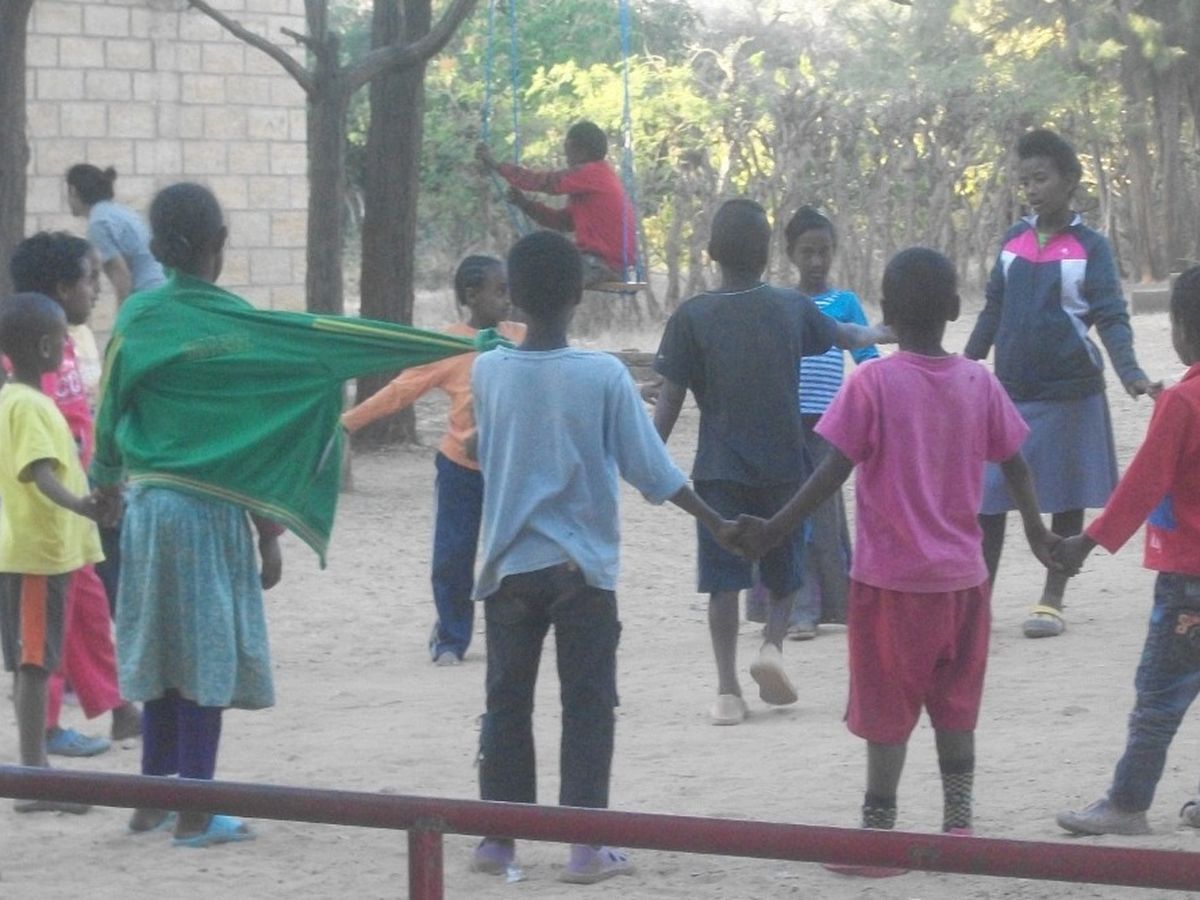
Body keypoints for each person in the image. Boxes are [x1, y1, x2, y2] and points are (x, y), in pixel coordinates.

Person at [91, 182, 511, 846]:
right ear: (218, 245)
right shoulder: (244, 327)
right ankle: (195, 810)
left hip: (147, 512)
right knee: (205, 663)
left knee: (163, 655)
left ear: (158, 248)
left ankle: (151, 801)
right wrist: (268, 533)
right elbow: (319, 368)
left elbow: (110, 408)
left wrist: (105, 486)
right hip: (209, 517)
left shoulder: (138, 318)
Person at [730, 248, 1057, 870]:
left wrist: (773, 529)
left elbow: (830, 473)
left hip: (890, 587)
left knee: (886, 711)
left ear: (884, 313)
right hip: (964, 583)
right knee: (955, 707)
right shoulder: (978, 383)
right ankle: (958, 828)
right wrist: (1040, 536)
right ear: (955, 308)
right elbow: (1016, 464)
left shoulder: (873, 384)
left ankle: (879, 836)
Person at [468, 230, 733, 884]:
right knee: (586, 706)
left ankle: (498, 840)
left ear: (512, 296)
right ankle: (585, 846)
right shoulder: (603, 375)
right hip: (581, 572)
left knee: (506, 704)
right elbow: (653, 471)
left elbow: (483, 447)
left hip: (507, 569)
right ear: (580, 296)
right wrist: (717, 522)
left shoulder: (488, 370)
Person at [652, 198, 889, 726]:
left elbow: (668, 402)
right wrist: (886, 330)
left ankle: (727, 690)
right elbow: (847, 336)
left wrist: (643, 455)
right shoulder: (790, 306)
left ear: (712, 252)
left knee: (722, 583)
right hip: (785, 465)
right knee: (785, 572)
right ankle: (772, 646)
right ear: (767, 254)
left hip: (718, 471)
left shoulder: (691, 316)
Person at [965, 129, 1158, 639]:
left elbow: (1111, 316)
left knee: (1067, 497)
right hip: (1009, 392)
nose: (1031, 189)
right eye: (1025, 180)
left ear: (1070, 180)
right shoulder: (1012, 240)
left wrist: (1131, 374)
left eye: (1041, 178)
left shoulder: (1092, 247)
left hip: (1072, 392)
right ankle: (976, 605)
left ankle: (1052, 598)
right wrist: (963, 367)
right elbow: (993, 309)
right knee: (989, 500)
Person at [1054, 266, 1200, 837]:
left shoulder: (1182, 402)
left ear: (1183, 329)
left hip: (1189, 581)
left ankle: (1127, 803)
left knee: (1158, 696)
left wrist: (1087, 542)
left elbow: (1143, 483)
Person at [342, 255, 524, 665]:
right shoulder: (447, 345)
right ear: (472, 295)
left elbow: (563, 371)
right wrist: (347, 423)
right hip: (460, 469)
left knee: (511, 555)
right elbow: (400, 391)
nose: (508, 298)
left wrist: (632, 390)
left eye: (510, 289)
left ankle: (511, 635)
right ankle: (450, 639)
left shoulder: (522, 338)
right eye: (500, 290)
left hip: (510, 469)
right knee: (452, 556)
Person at [9, 232, 141, 755]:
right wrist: (78, 500)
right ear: (63, 289)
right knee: (47, 631)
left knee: (87, 611)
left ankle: (118, 708)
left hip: (72, 518)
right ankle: (42, 735)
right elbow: (36, 459)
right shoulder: (24, 367)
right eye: (90, 280)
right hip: (44, 525)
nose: (97, 290)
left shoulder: (61, 346)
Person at [0, 292, 104, 814]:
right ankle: (35, 775)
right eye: (64, 341)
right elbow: (40, 474)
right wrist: (83, 506)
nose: (68, 348)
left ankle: (34, 770)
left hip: (30, 553)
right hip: (37, 556)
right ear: (45, 348)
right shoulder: (31, 406)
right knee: (36, 664)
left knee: (33, 662)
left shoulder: (13, 400)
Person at [784, 205, 878, 638]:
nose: (816, 261)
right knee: (792, 517)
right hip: (786, 426)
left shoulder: (845, 303)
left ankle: (835, 606)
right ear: (790, 254)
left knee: (823, 516)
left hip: (830, 426)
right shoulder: (783, 303)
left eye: (823, 251)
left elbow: (867, 357)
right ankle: (800, 609)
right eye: (807, 252)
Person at [476, 121, 636, 287]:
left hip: (599, 263)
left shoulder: (591, 173)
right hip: (605, 263)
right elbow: (563, 222)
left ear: (579, 150)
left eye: (568, 152)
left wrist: (496, 165)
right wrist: (525, 204)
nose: (567, 159)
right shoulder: (598, 179)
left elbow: (544, 182)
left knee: (532, 273)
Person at [65, 164, 165, 304]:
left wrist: (123, 313)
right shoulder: (120, 212)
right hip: (162, 288)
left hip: (147, 296)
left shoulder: (98, 224)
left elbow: (121, 275)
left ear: (73, 190)